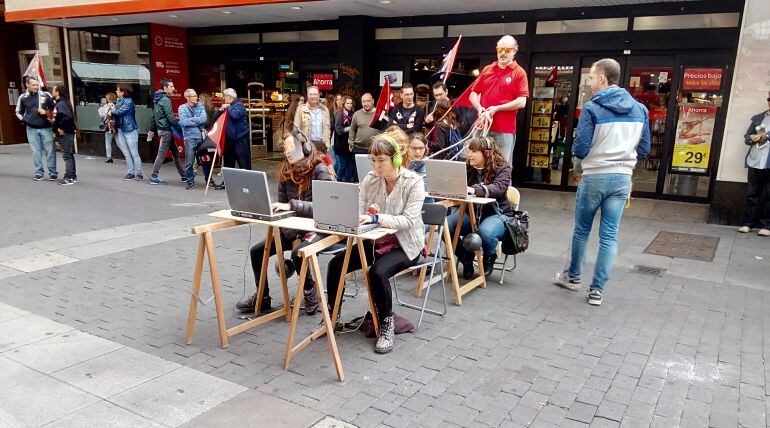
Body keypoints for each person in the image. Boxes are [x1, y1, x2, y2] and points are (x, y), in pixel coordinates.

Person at [553, 58, 651, 306]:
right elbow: (645, 148)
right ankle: (597, 291)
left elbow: (581, 148)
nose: (589, 83)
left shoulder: (592, 108)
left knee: (582, 230)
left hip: (595, 175)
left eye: (591, 78)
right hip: (622, 178)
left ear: (603, 79)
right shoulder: (640, 110)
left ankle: (573, 277)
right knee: (609, 236)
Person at [326, 134, 425, 354]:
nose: (376, 165)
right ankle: (332, 318)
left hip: (405, 244)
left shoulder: (414, 182)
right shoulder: (371, 179)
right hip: (374, 241)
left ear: (396, 160)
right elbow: (358, 208)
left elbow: (408, 221)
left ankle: (386, 325)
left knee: (377, 272)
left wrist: (376, 218)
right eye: (373, 160)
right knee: (336, 265)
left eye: (381, 160)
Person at [235, 132, 333, 315]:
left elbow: (325, 208)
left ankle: (309, 290)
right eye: (285, 148)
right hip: (293, 230)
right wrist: (290, 233)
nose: (287, 152)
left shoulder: (320, 170)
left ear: (304, 147)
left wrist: (291, 206)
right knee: (257, 252)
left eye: (291, 147)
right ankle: (263, 297)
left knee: (298, 253)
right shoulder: (286, 171)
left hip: (318, 229)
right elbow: (282, 212)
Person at [447, 136, 512, 280]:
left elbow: (499, 188)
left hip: (497, 214)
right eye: (469, 151)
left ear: (487, 153)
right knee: (446, 226)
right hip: (470, 213)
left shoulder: (503, 168)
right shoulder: (467, 167)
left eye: (474, 151)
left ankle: (489, 256)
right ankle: (466, 258)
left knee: (485, 232)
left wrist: (475, 190)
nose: (469, 155)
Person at [470, 35, 529, 164]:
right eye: (500, 49)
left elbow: (522, 101)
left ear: (514, 50)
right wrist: (480, 108)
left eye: (507, 50)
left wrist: (497, 108)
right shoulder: (487, 69)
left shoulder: (519, 72)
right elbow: (473, 95)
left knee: (502, 166)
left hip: (504, 129)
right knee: (478, 163)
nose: (503, 53)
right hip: (483, 126)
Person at [738, 93, 770, 237]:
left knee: (769, 196)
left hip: (768, 164)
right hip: (755, 161)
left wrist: (766, 136)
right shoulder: (758, 118)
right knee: (752, 194)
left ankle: (766, 226)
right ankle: (748, 224)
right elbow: (747, 137)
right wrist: (751, 138)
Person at [16, 76, 57, 181]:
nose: (36, 86)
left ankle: (53, 172)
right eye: (33, 85)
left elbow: (55, 108)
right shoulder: (23, 97)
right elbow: (18, 112)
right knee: (36, 151)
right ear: (27, 85)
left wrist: (47, 113)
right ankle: (39, 172)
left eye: (37, 84)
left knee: (50, 151)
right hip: (31, 129)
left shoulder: (46, 95)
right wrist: (26, 120)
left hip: (46, 128)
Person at [148, 78, 185, 184]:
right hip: (166, 130)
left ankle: (183, 175)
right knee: (162, 154)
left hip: (162, 129)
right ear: (165, 87)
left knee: (175, 152)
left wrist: (152, 128)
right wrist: (178, 128)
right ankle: (154, 176)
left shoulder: (157, 98)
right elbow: (170, 117)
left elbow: (154, 115)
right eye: (171, 86)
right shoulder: (165, 99)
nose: (173, 88)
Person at [111, 84, 143, 181]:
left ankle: (140, 173)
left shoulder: (128, 101)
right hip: (120, 129)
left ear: (123, 92)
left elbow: (119, 112)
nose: (116, 92)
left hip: (129, 129)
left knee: (134, 153)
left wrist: (112, 108)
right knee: (126, 153)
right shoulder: (117, 101)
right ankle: (131, 172)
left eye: (118, 90)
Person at [177, 89, 208, 190]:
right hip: (190, 138)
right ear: (187, 98)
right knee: (189, 162)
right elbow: (184, 122)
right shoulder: (182, 108)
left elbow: (204, 119)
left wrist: (192, 120)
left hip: (201, 137)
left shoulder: (200, 106)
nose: (196, 98)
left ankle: (208, 180)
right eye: (194, 96)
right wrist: (197, 120)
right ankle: (190, 181)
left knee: (206, 160)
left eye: (196, 95)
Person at [214, 88, 250, 170]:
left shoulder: (239, 105)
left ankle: (247, 181)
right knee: (228, 164)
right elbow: (215, 117)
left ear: (230, 97)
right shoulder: (227, 106)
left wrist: (228, 107)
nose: (224, 99)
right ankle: (228, 182)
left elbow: (235, 115)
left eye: (225, 97)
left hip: (240, 139)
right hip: (229, 140)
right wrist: (220, 110)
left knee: (244, 163)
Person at [294, 86, 331, 160]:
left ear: (318, 95)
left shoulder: (324, 109)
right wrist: (301, 139)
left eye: (315, 94)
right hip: (308, 145)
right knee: (309, 168)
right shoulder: (301, 109)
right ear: (307, 95)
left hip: (322, 145)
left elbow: (327, 128)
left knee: (323, 168)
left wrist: (327, 144)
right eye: (311, 94)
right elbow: (296, 129)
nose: (313, 96)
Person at [51, 85, 77, 185]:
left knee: (67, 156)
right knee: (69, 154)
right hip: (67, 132)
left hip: (65, 133)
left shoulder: (61, 104)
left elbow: (66, 117)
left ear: (57, 92)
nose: (52, 92)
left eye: (53, 90)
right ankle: (73, 176)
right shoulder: (62, 103)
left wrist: (61, 127)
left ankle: (69, 177)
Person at [349, 92, 379, 166]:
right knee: (357, 173)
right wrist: (351, 143)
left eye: (368, 101)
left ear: (373, 101)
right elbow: (352, 129)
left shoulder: (379, 114)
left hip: (374, 149)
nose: (366, 103)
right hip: (358, 148)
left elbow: (383, 131)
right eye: (363, 101)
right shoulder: (357, 114)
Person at [334, 95, 356, 182]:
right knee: (342, 166)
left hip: (350, 145)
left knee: (350, 166)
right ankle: (336, 183)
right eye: (347, 103)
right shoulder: (340, 114)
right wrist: (351, 127)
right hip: (341, 145)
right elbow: (338, 130)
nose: (349, 105)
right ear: (343, 104)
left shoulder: (353, 114)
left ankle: (348, 184)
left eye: (351, 103)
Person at [406, 132, 432, 203]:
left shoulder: (429, 168)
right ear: (407, 148)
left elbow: (427, 199)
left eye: (421, 148)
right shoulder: (400, 166)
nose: (417, 152)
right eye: (414, 148)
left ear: (426, 150)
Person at [98, 92, 117, 163]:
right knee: (120, 142)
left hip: (109, 126)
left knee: (108, 142)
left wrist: (102, 105)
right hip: (116, 125)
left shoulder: (107, 106)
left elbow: (101, 114)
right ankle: (128, 155)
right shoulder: (117, 105)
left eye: (107, 98)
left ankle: (109, 157)